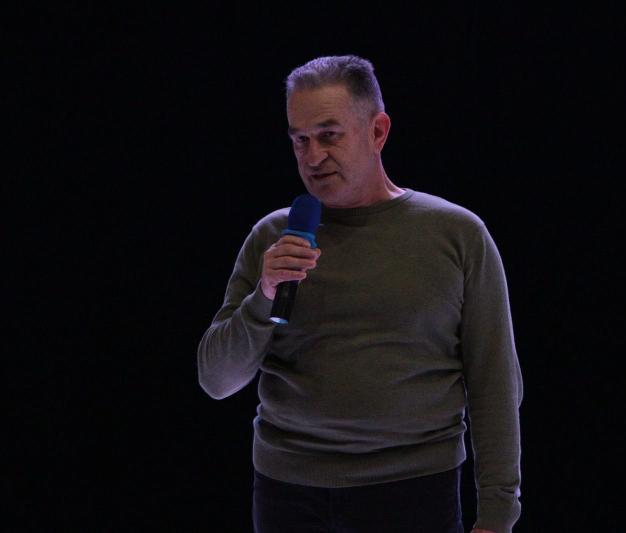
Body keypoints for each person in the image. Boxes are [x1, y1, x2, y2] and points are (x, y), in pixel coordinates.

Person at [197, 55, 523, 533]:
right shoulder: (273, 237)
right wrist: (264, 294)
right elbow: (216, 379)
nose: (312, 157)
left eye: (329, 135)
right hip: (288, 493)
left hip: (414, 490)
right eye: (299, 140)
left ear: (378, 131)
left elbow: (494, 382)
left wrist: (497, 513)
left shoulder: (456, 235)